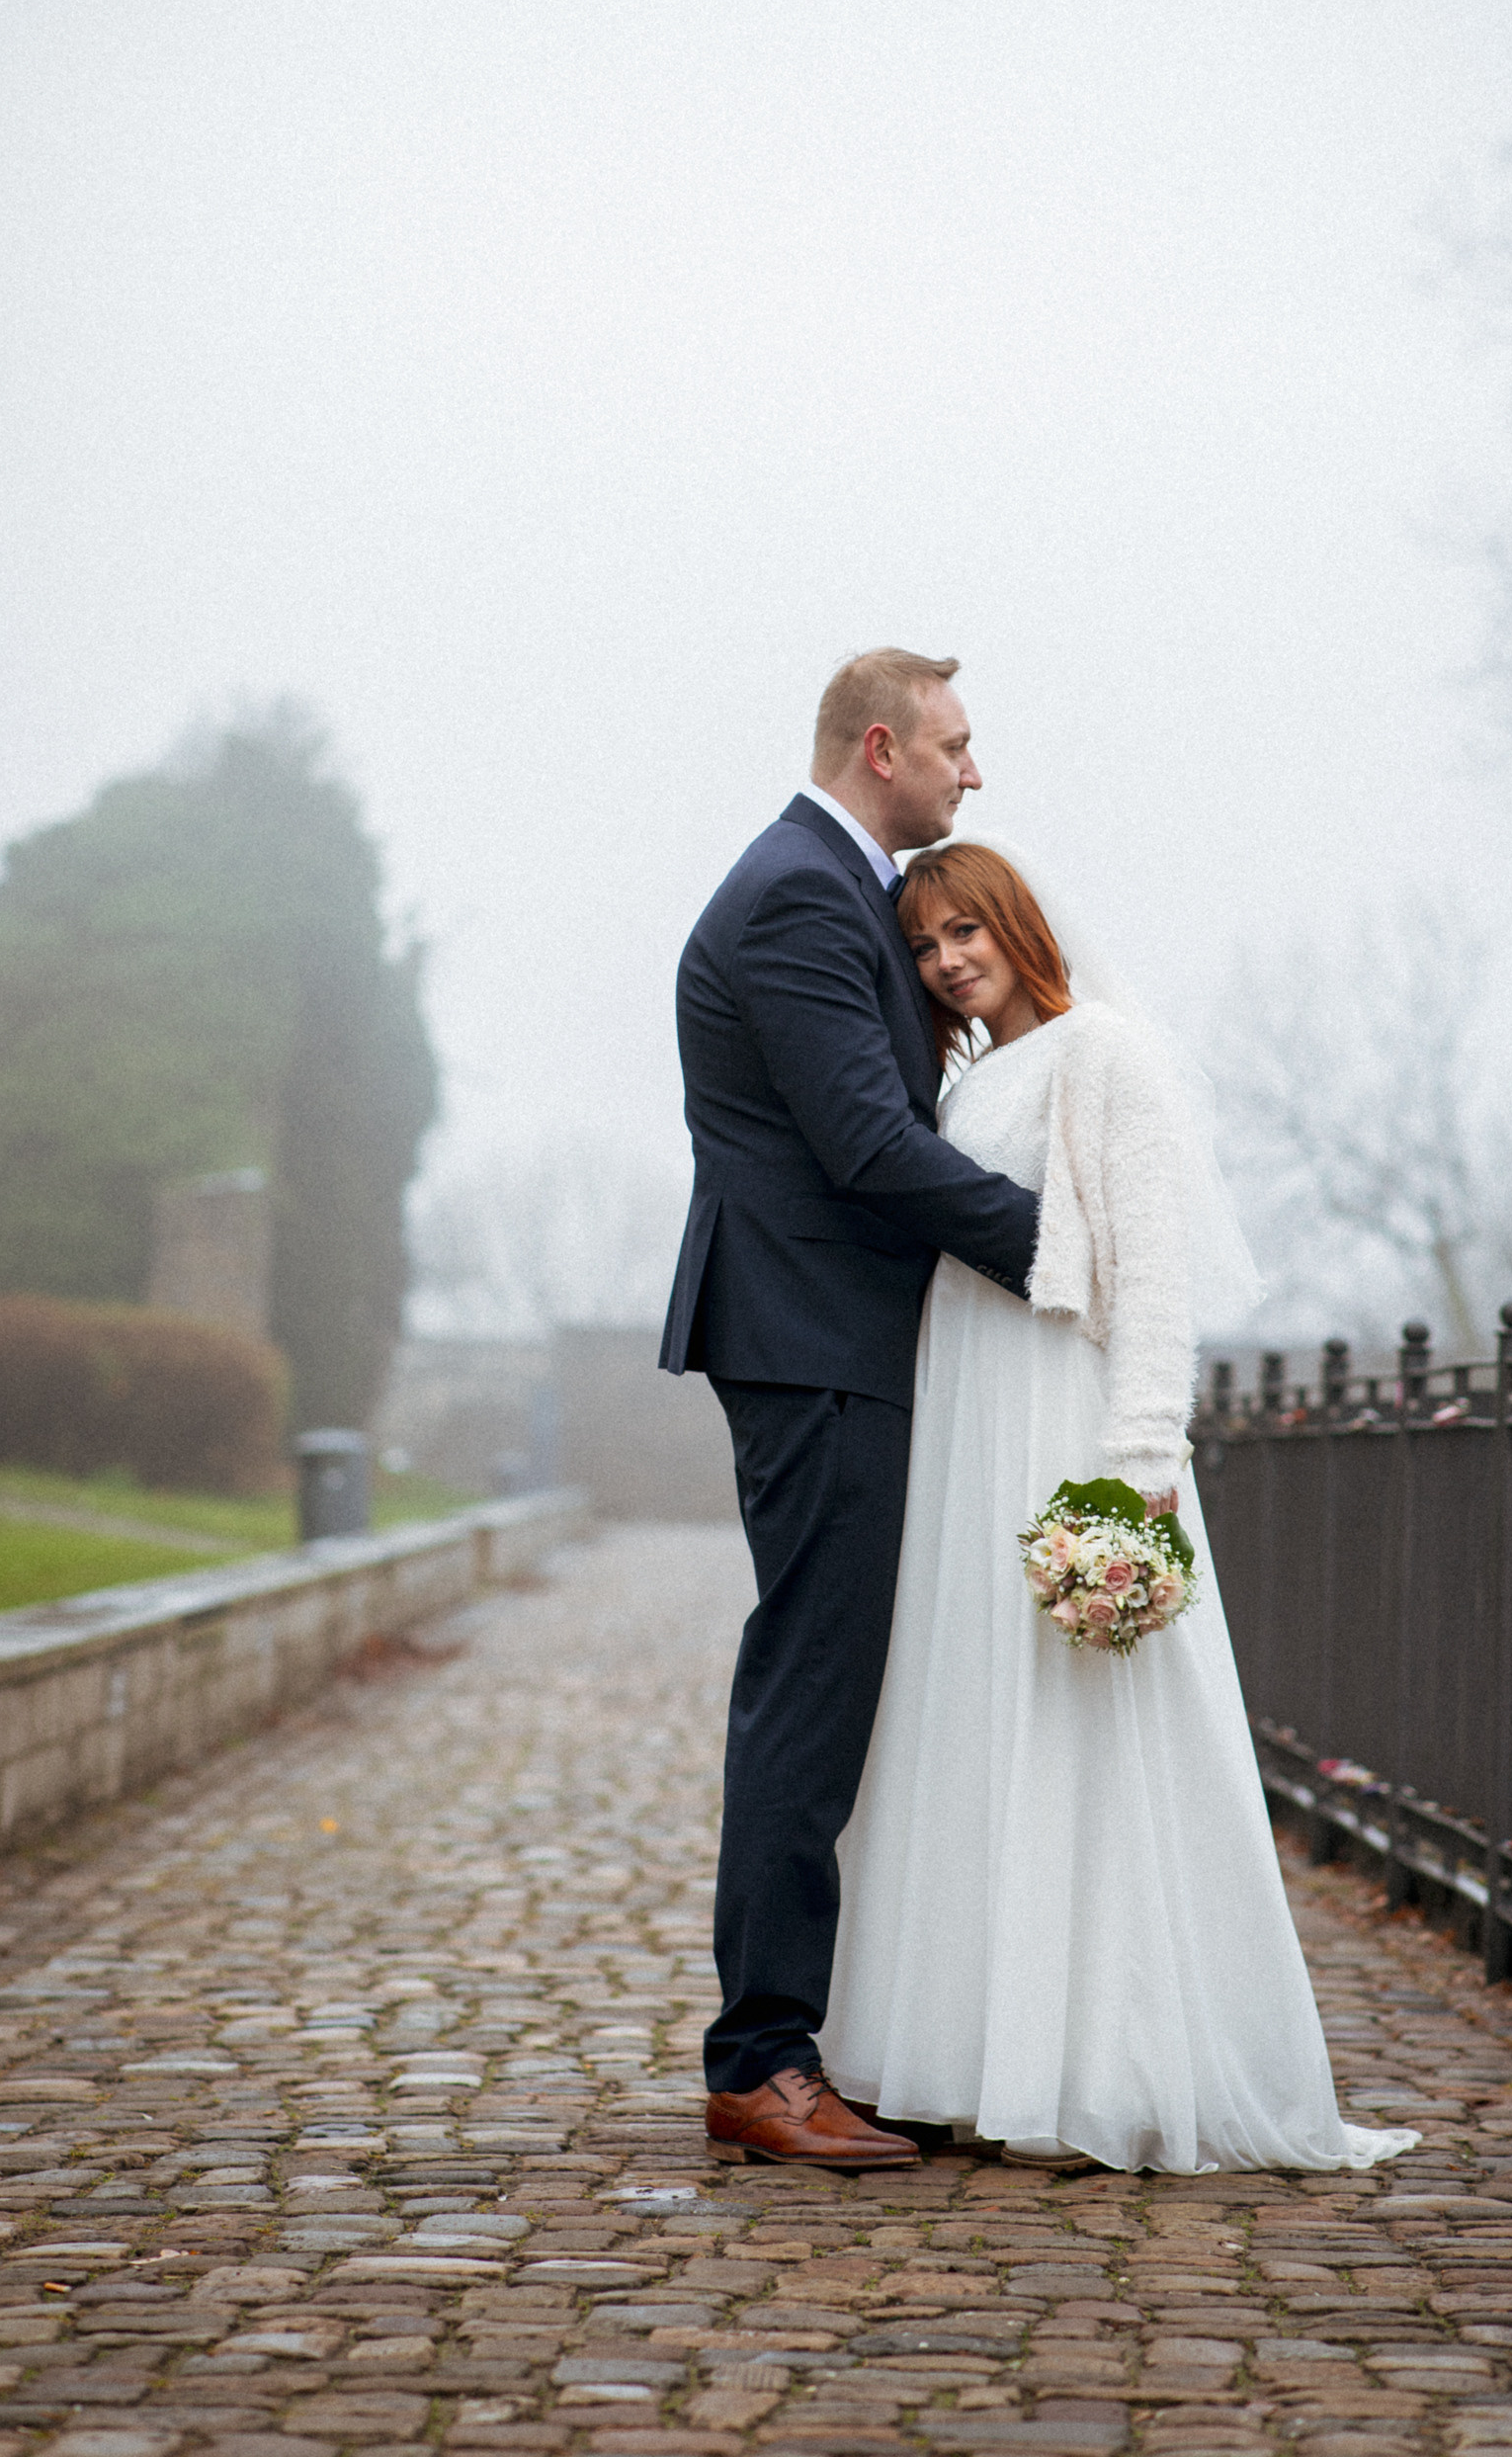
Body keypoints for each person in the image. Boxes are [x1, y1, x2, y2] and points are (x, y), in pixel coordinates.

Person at [818, 840, 1422, 2176]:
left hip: (1063, 1417)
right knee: (979, 1717)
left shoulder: (1106, 1056)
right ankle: (979, 2051)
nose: (948, 961)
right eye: (925, 946)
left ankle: (1101, 2063)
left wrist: (1138, 1460)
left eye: (968, 931)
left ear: (1019, 924)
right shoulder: (972, 1079)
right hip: (970, 1419)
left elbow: (1152, 1276)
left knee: (1084, 1729)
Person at [661, 651, 1043, 2167]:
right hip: (812, 1338)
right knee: (810, 1691)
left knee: (830, 1685)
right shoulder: (801, 893)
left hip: (833, 1337)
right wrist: (1059, 1245)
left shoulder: (829, 882)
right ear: (881, 746)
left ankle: (810, 2042)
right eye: (955, 745)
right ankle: (762, 2061)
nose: (972, 772)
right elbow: (872, 1149)